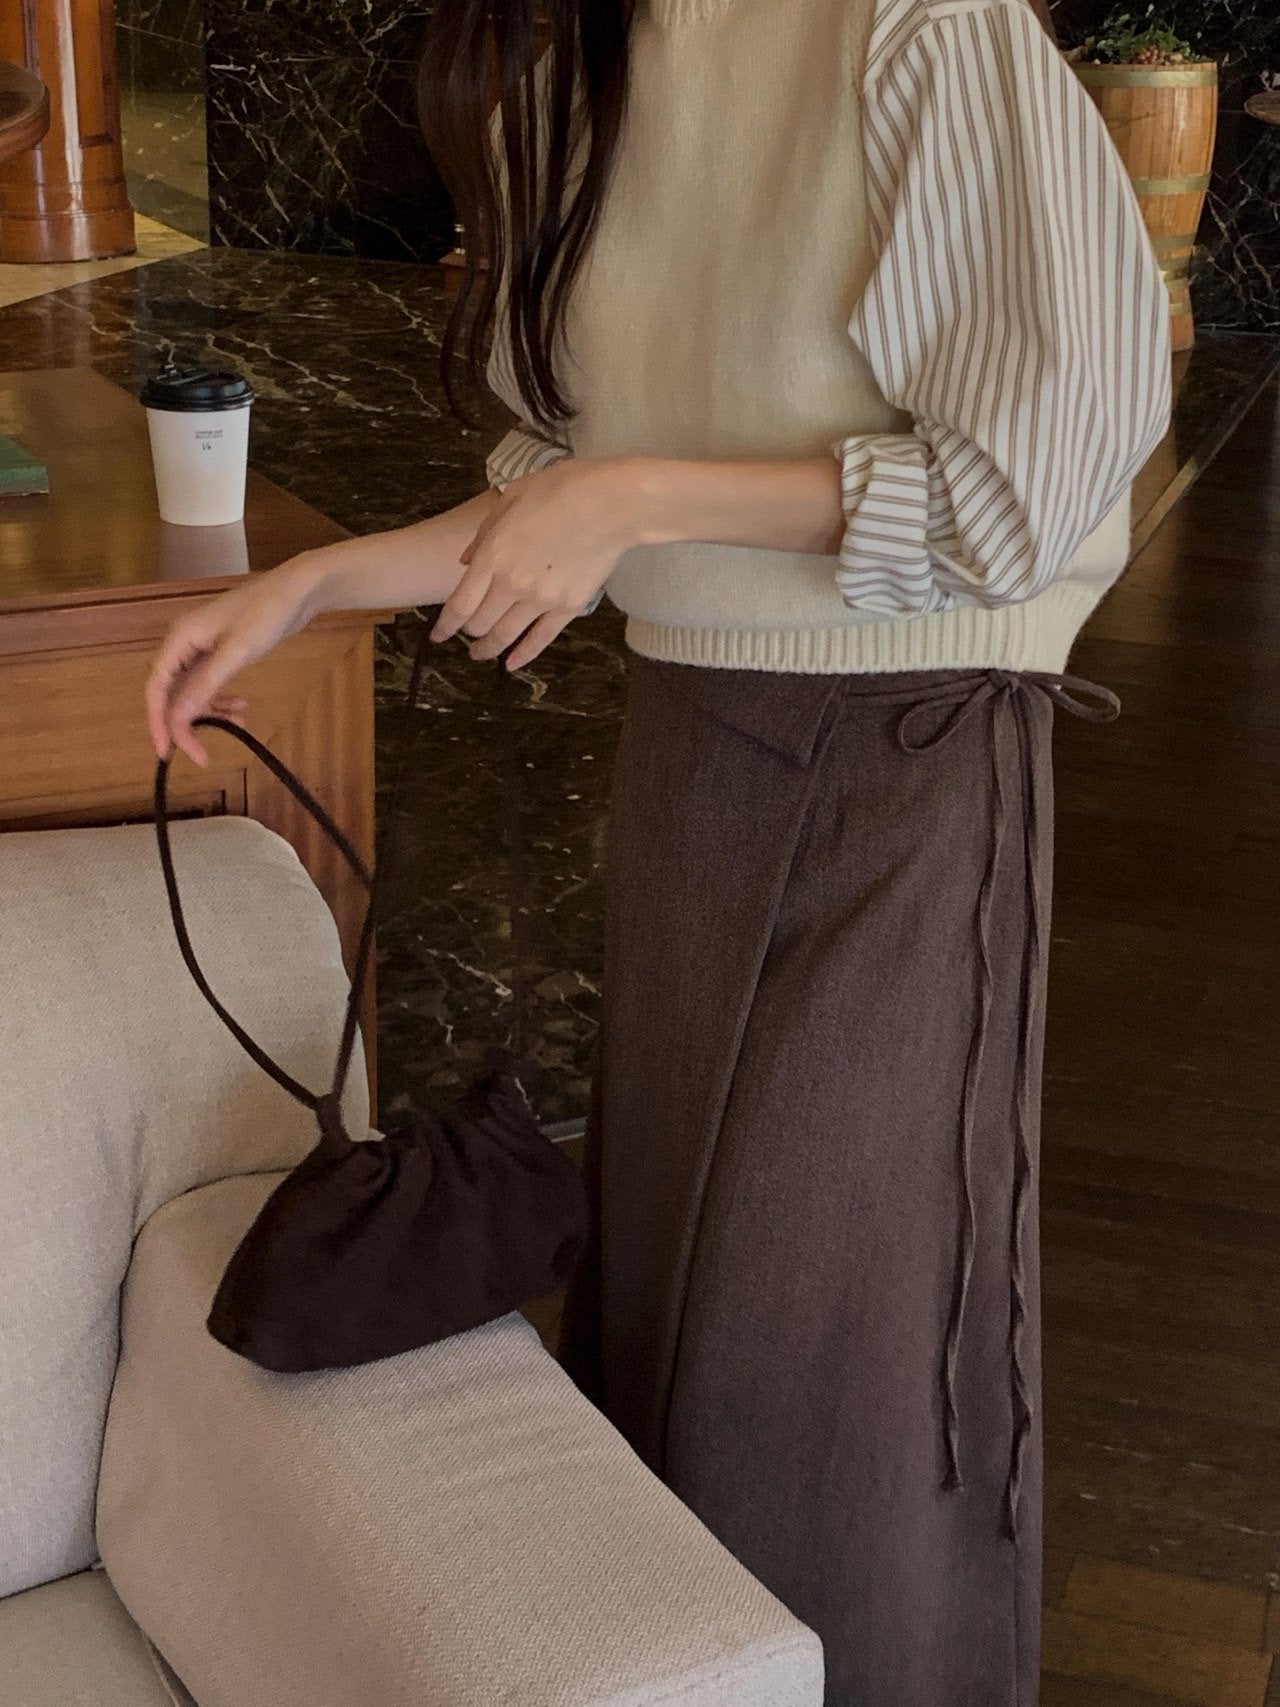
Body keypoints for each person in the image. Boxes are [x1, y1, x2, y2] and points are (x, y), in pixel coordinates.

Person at [145, 0, 1172, 1699]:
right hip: (689, 747)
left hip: (906, 758)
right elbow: (569, 487)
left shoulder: (917, 28)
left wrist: (631, 499)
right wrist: (317, 584)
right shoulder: (574, 59)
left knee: (834, 1360)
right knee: (661, 1313)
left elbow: (1026, 484)